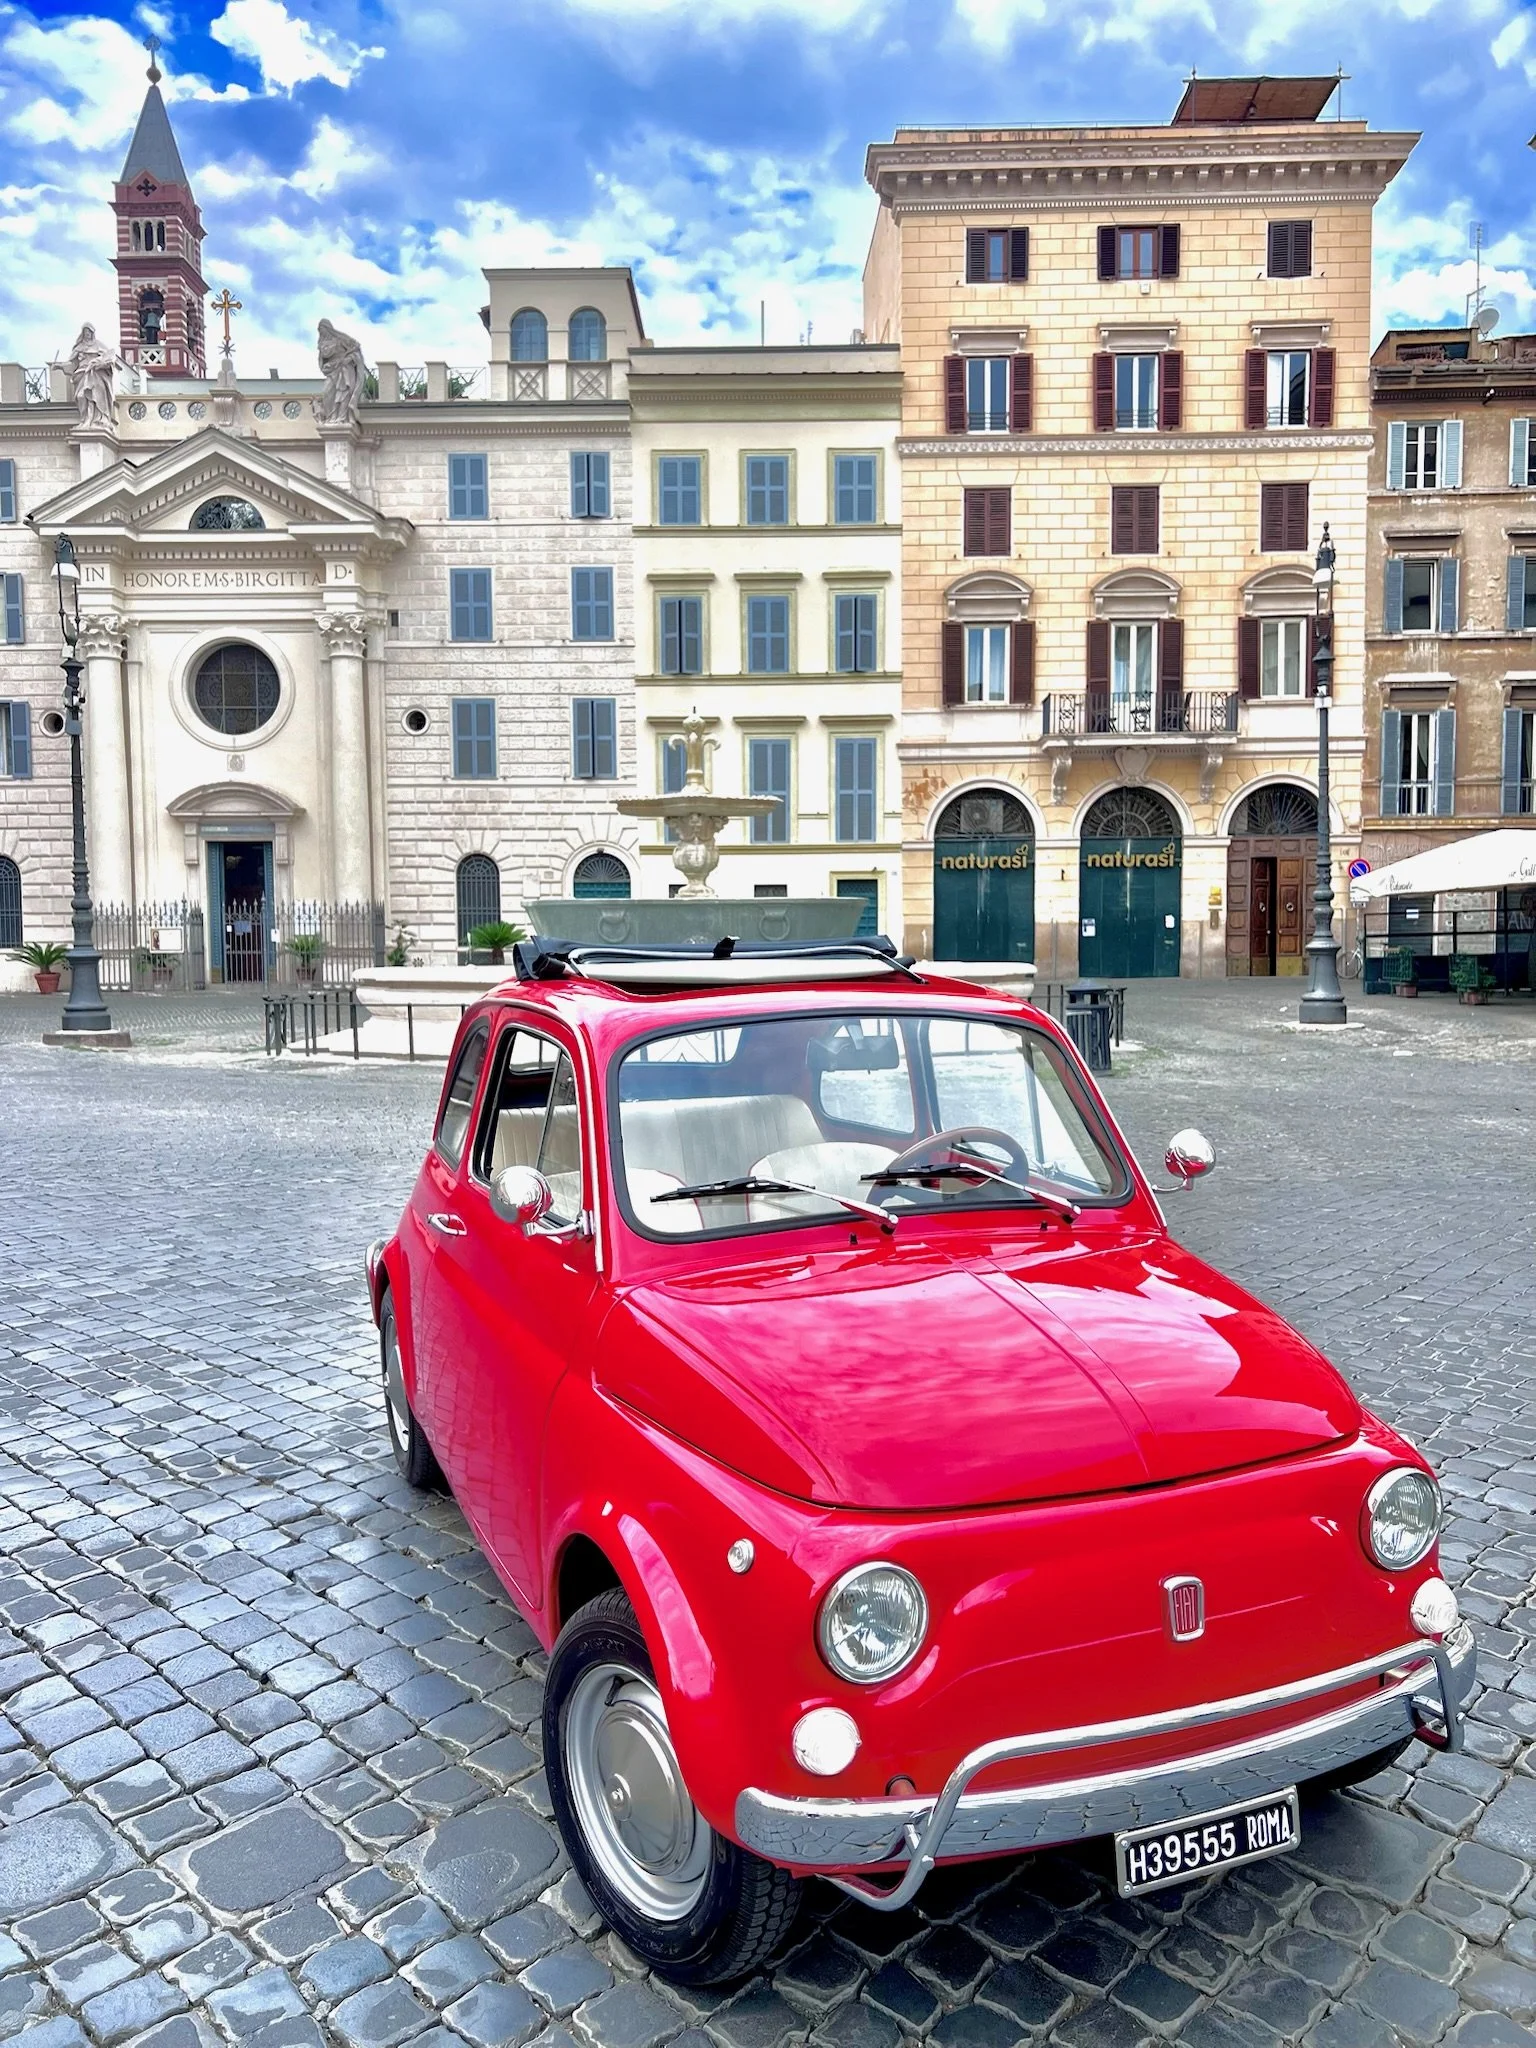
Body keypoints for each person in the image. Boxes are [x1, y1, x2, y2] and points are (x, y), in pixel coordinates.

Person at [66, 325, 116, 432]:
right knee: (81, 396)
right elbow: (71, 364)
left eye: (89, 332)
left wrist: (99, 363)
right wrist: (60, 366)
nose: (87, 334)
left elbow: (109, 358)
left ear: (92, 333)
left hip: (95, 375)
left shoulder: (99, 345)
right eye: (85, 332)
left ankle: (97, 419)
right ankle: (85, 420)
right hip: (82, 374)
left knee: (95, 396)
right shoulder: (79, 347)